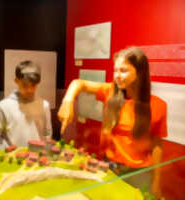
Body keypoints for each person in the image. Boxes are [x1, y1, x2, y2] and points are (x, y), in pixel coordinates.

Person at [58, 47, 167, 198]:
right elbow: (79, 83)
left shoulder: (158, 105)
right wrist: (67, 101)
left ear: (140, 72)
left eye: (123, 71)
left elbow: (156, 144)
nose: (117, 76)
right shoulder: (110, 93)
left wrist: (156, 180)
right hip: (111, 167)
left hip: (140, 171)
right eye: (115, 70)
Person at [0, 60, 53, 152]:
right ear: (16, 81)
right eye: (25, 85)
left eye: (33, 85)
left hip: (37, 159)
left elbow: (47, 133)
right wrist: (4, 153)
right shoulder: (4, 106)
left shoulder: (44, 105)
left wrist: (46, 151)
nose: (30, 90)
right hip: (12, 161)